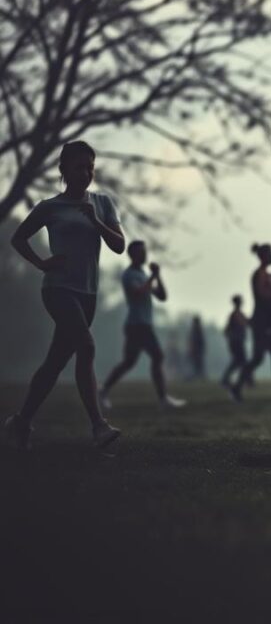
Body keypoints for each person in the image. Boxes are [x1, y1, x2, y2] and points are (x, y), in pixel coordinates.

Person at [4, 140, 124, 450]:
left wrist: (95, 220)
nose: (85, 173)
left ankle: (21, 422)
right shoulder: (49, 207)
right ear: (63, 170)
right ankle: (98, 426)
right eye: (79, 167)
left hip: (88, 293)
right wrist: (41, 263)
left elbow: (119, 245)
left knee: (55, 363)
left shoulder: (102, 203)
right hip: (58, 290)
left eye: (90, 167)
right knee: (86, 346)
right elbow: (18, 239)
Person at [99, 240, 185, 410]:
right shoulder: (129, 275)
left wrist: (157, 276)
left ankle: (103, 390)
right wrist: (152, 277)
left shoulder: (143, 274)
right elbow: (137, 293)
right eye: (141, 252)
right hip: (137, 325)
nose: (145, 255)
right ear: (132, 255)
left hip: (142, 324)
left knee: (128, 362)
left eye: (145, 252)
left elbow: (162, 296)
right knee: (158, 356)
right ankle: (163, 399)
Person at [230, 243, 271, 403]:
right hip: (261, 322)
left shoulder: (269, 276)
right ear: (263, 256)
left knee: (260, 358)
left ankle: (236, 388)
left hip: (266, 322)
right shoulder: (259, 275)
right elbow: (263, 295)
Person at [221, 294, 249, 389]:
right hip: (237, 342)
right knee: (239, 361)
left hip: (236, 341)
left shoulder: (236, 314)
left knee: (238, 361)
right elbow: (245, 323)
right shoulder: (236, 314)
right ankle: (228, 380)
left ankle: (228, 379)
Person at [187, 315, 206, 380]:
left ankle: (199, 376)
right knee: (197, 365)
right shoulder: (196, 330)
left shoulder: (195, 330)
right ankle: (197, 376)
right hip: (196, 351)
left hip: (197, 351)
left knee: (198, 364)